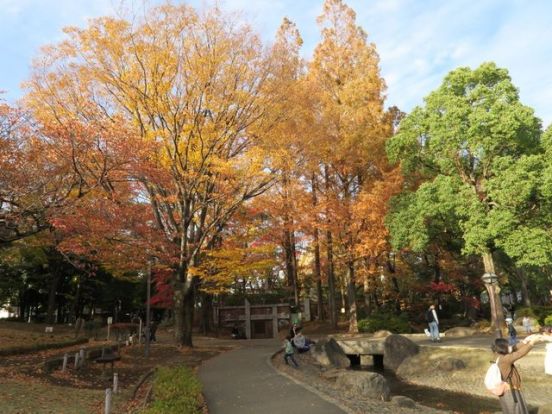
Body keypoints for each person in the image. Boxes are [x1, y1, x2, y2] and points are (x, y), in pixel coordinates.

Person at [492, 333, 552, 413]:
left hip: (510, 389)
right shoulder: (505, 359)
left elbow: (513, 348)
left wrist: (525, 341)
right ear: (503, 348)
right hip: (510, 391)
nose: (510, 346)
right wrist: (531, 343)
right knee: (515, 409)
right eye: (507, 345)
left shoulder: (500, 355)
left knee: (515, 409)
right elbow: (519, 353)